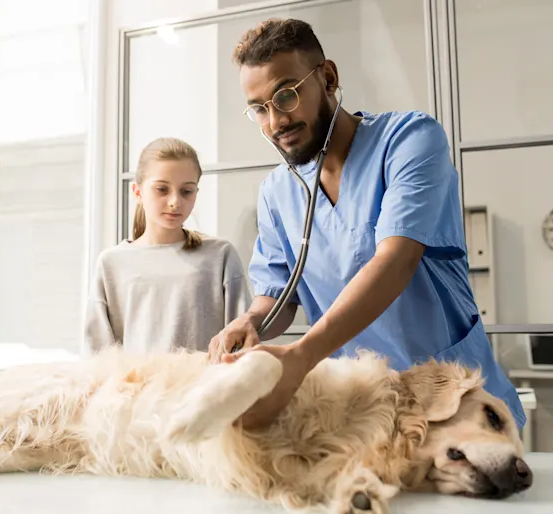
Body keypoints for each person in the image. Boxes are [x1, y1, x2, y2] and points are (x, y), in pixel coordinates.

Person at [208, 18, 526, 431]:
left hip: (456, 400)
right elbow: (278, 294)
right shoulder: (277, 192)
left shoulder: (410, 140)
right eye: (259, 109)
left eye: (286, 95)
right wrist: (251, 321)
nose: (275, 122)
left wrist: (303, 355)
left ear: (328, 77)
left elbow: (395, 261)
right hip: (366, 413)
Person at [85, 137, 252, 354]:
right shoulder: (111, 263)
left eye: (186, 191)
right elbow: (97, 353)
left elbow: (242, 342)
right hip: (138, 387)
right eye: (162, 189)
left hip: (209, 386)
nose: (175, 201)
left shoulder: (220, 255)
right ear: (138, 192)